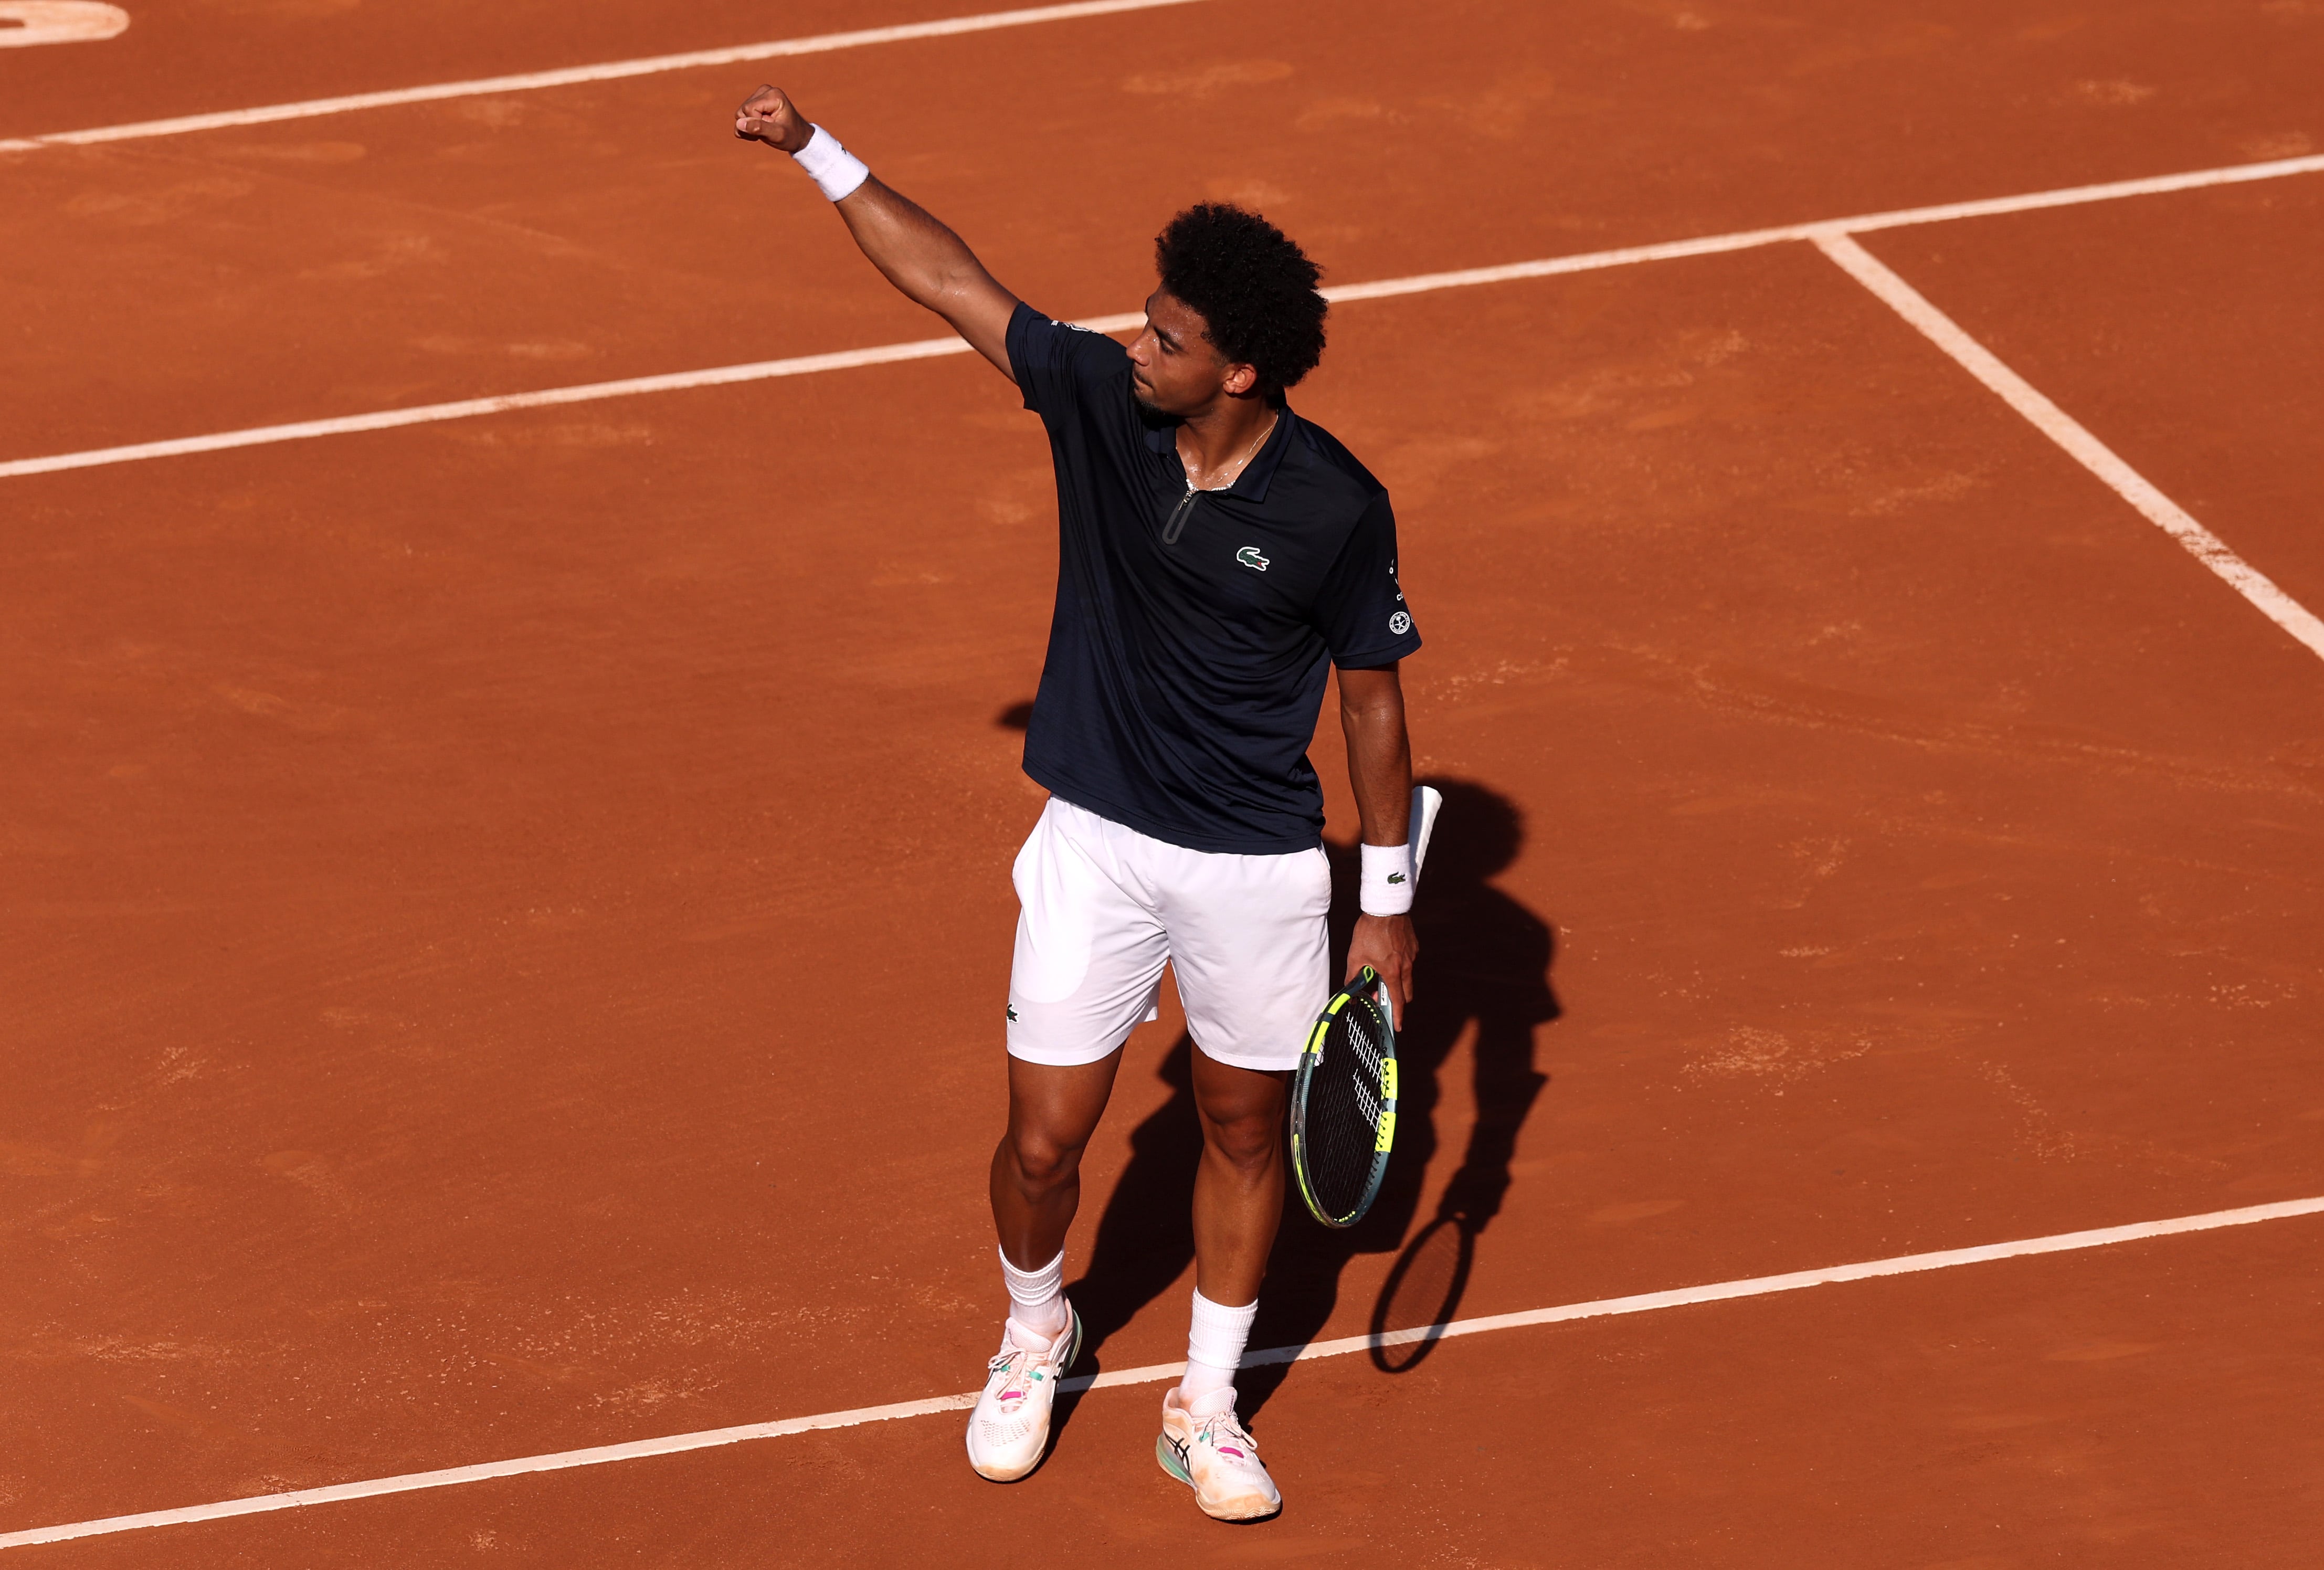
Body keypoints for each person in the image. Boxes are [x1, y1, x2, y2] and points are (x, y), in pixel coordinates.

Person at [734, 86, 1423, 1523]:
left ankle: (1206, 1401)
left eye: (1168, 337)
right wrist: (818, 151)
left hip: (1255, 870)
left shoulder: (1335, 508)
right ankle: (1034, 1330)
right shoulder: (1101, 409)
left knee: (1244, 1131)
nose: (1136, 343)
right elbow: (952, 282)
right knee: (1045, 1138)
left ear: (1238, 374)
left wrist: (1387, 918)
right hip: (1096, 844)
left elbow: (1371, 702)